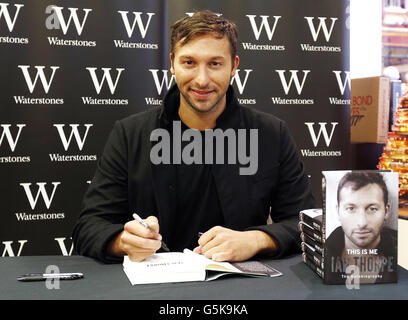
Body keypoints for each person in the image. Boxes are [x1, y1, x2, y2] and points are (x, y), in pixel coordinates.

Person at [72, 10, 315, 264]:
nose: (202, 80)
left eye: (215, 63)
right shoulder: (130, 134)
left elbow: (306, 223)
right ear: (172, 63)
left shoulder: (270, 133)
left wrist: (254, 239)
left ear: (234, 66)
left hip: (242, 289)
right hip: (154, 290)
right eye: (189, 62)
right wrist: (123, 241)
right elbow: (88, 227)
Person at [326, 171, 397, 283]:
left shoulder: (402, 254)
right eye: (350, 208)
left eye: (372, 209)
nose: (362, 223)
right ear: (338, 211)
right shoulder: (322, 254)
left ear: (386, 211)